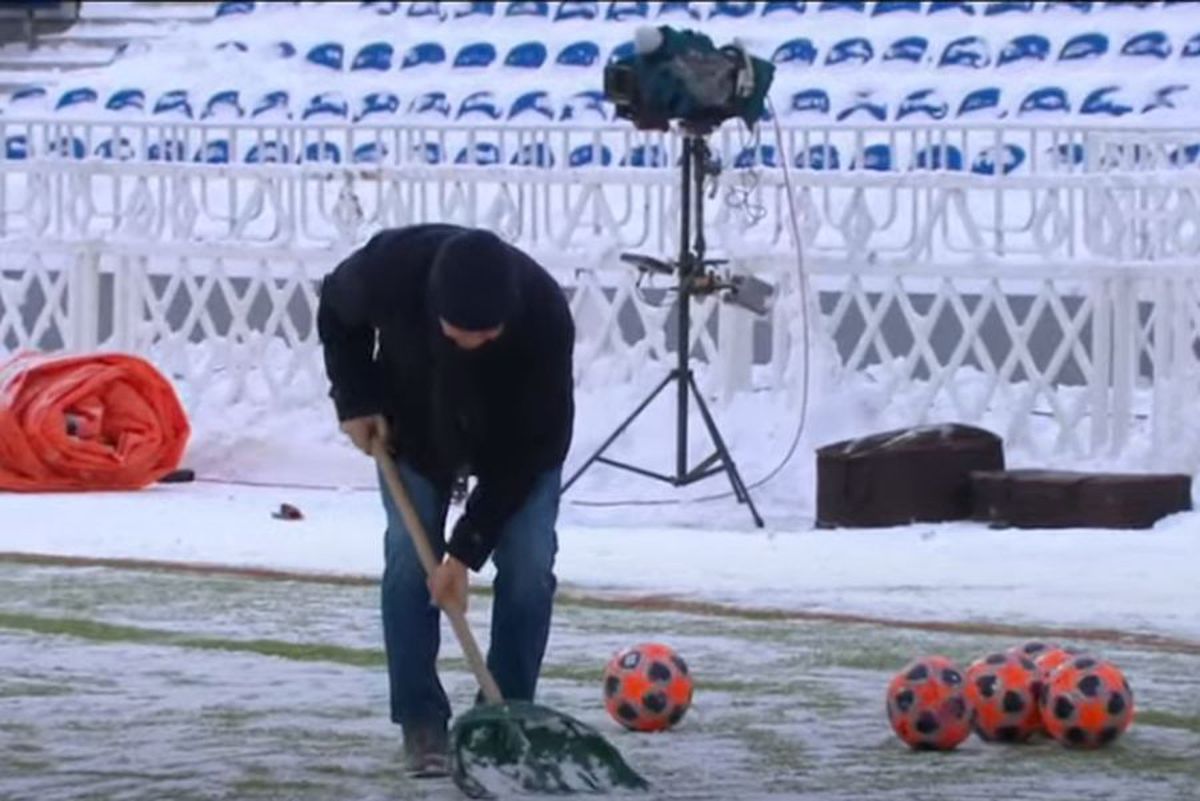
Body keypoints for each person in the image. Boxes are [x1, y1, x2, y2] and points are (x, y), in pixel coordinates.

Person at [315, 224, 575, 778]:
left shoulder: (546, 316)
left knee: (529, 564)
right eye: (460, 333)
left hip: (516, 444)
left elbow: (530, 453)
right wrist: (356, 399)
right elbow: (336, 315)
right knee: (410, 561)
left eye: (486, 336)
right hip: (415, 425)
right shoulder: (390, 270)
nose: (472, 345)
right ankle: (421, 723)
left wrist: (464, 554)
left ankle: (503, 718)